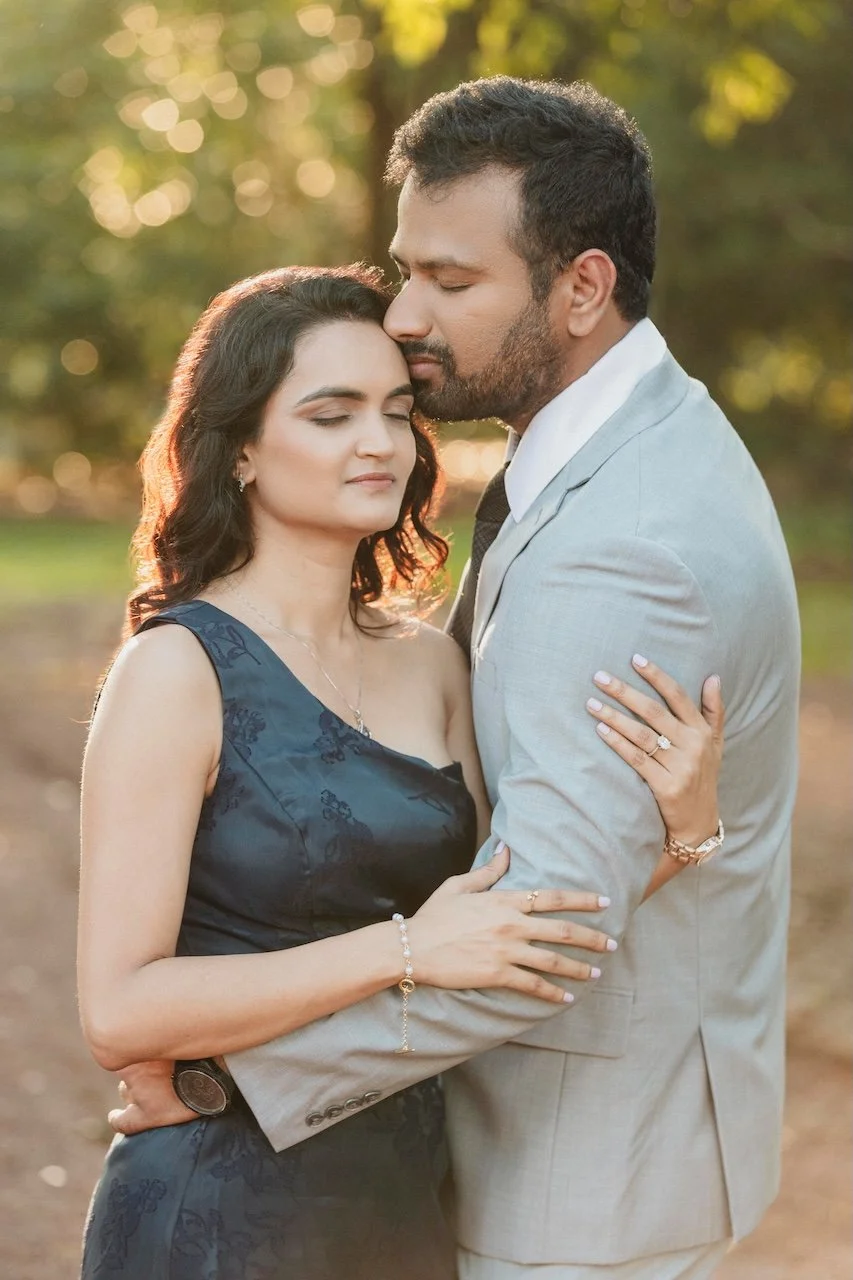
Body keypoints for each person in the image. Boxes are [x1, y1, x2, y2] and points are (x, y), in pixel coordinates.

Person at [110, 78, 801, 1279]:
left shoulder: (619, 542)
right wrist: (687, 838)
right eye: (405, 270)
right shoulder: (623, 449)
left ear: (580, 287)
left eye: (451, 280)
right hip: (382, 1180)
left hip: (569, 1176)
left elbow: (537, 922)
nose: (406, 315)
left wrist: (231, 1079)